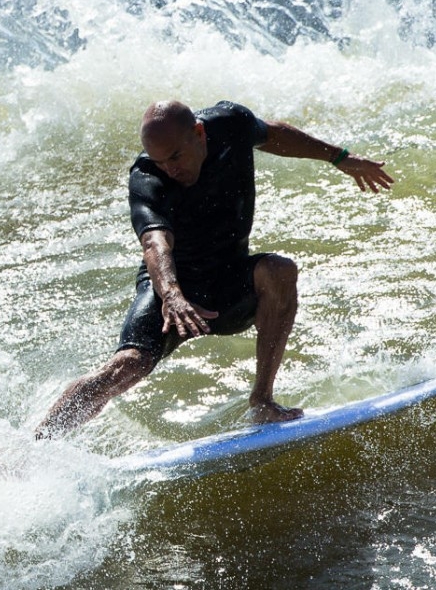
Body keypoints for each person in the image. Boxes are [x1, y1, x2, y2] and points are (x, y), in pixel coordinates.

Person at [34, 100, 394, 440]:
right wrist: (172, 295)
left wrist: (339, 158)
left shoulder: (230, 124)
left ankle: (263, 401)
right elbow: (155, 244)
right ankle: (37, 445)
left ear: (199, 134)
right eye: (161, 162)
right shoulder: (147, 177)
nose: (170, 169)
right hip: (173, 290)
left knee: (279, 271)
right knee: (126, 366)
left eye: (175, 156)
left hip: (229, 283)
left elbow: (272, 133)